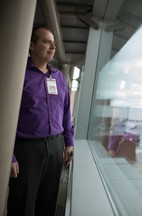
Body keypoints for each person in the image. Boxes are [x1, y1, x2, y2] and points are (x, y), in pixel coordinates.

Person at [7, 27, 74, 216]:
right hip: (27, 150)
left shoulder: (59, 77)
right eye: (46, 41)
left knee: (48, 202)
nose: (53, 46)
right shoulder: (19, 75)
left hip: (55, 147)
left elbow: (66, 112)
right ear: (31, 46)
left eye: (53, 42)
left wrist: (68, 142)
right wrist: (8, 156)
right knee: (22, 205)